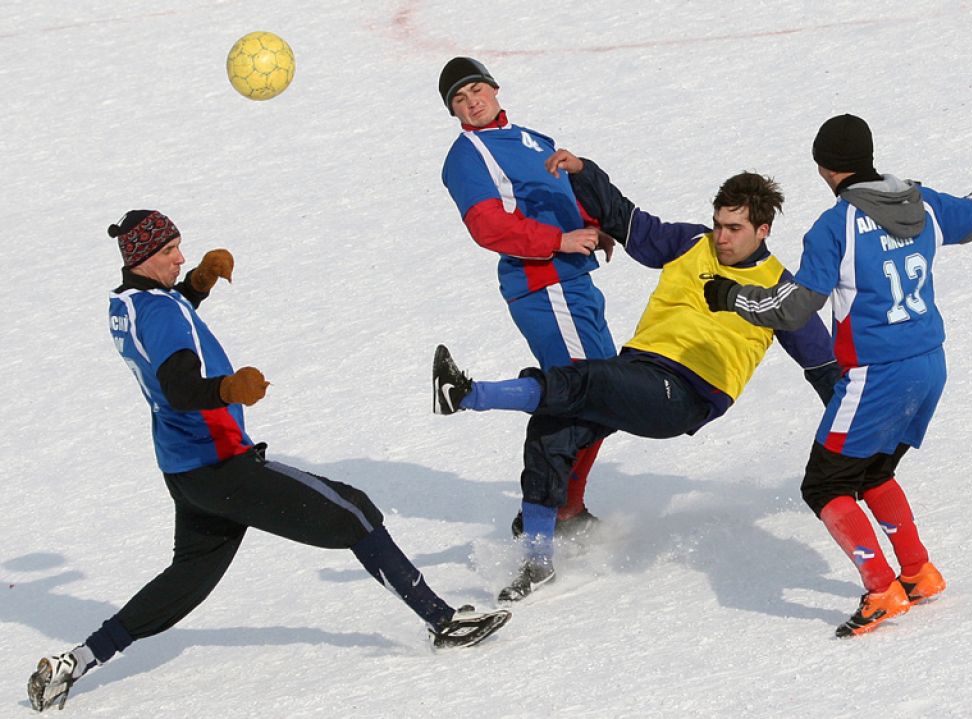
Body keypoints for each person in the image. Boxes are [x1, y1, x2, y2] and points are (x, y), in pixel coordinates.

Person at [27, 211, 511, 713]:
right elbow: (179, 387)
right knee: (355, 512)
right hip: (222, 465)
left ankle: (77, 661)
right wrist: (228, 389)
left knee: (186, 581)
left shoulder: (126, 304)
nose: (180, 258)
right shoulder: (162, 313)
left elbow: (164, 320)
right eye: (170, 252)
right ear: (144, 258)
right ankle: (443, 621)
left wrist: (198, 284)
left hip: (185, 470)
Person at [433, 153, 842, 601]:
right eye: (718, 224)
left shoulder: (781, 293)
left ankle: (469, 395)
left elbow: (825, 373)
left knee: (583, 380)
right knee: (553, 423)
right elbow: (627, 220)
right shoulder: (692, 242)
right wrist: (583, 172)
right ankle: (538, 558)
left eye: (734, 228)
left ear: (763, 230)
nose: (721, 237)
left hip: (684, 395)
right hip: (638, 371)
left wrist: (857, 447)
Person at [703, 114, 972, 637]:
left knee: (824, 484)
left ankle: (881, 589)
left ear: (824, 168)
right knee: (871, 472)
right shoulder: (921, 203)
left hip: (876, 375)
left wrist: (732, 295)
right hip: (929, 365)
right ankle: (918, 573)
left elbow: (793, 308)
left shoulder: (836, 227)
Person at [438, 57, 617, 539]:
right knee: (584, 393)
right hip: (544, 284)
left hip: (573, 279)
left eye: (476, 89)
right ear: (454, 112)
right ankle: (547, 513)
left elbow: (559, 195)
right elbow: (488, 226)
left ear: (494, 88)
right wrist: (559, 240)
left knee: (607, 395)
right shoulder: (467, 155)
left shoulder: (532, 138)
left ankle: (567, 508)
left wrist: (591, 227)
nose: (472, 102)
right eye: (459, 99)